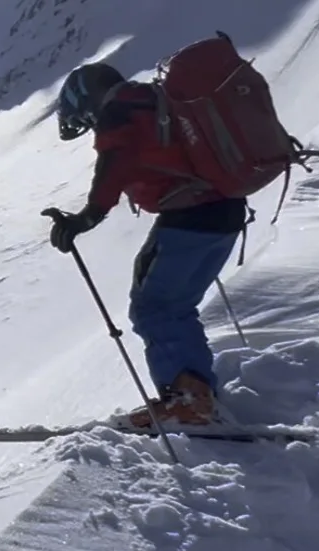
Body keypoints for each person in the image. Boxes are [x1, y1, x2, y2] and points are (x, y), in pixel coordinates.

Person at [44, 62, 251, 429]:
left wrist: (85, 218)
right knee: (173, 305)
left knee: (154, 308)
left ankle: (189, 404)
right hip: (227, 210)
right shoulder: (155, 100)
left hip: (190, 217)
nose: (91, 124)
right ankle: (197, 394)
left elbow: (115, 164)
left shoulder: (120, 110)